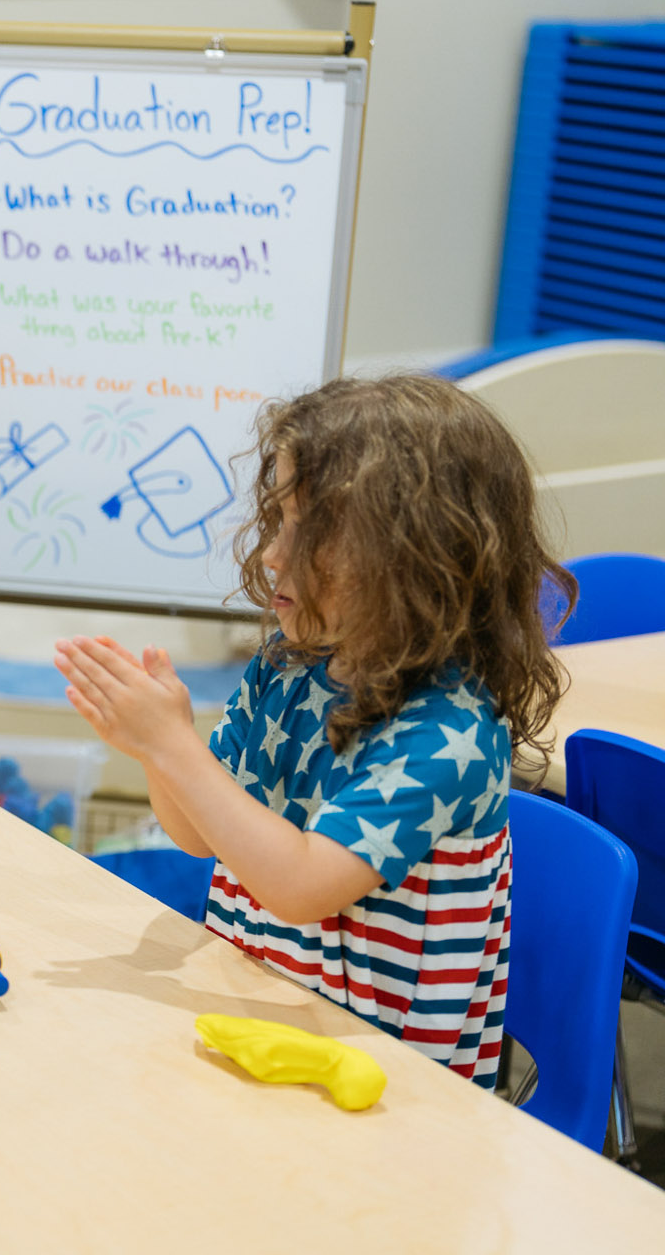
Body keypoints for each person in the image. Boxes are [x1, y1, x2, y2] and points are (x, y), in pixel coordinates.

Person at [52, 374, 574, 1089]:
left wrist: (172, 746)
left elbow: (300, 883)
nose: (271, 554)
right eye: (280, 520)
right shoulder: (288, 667)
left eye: (311, 532)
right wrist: (158, 750)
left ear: (415, 557)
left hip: (388, 1093)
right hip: (265, 1029)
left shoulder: (447, 734)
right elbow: (202, 834)